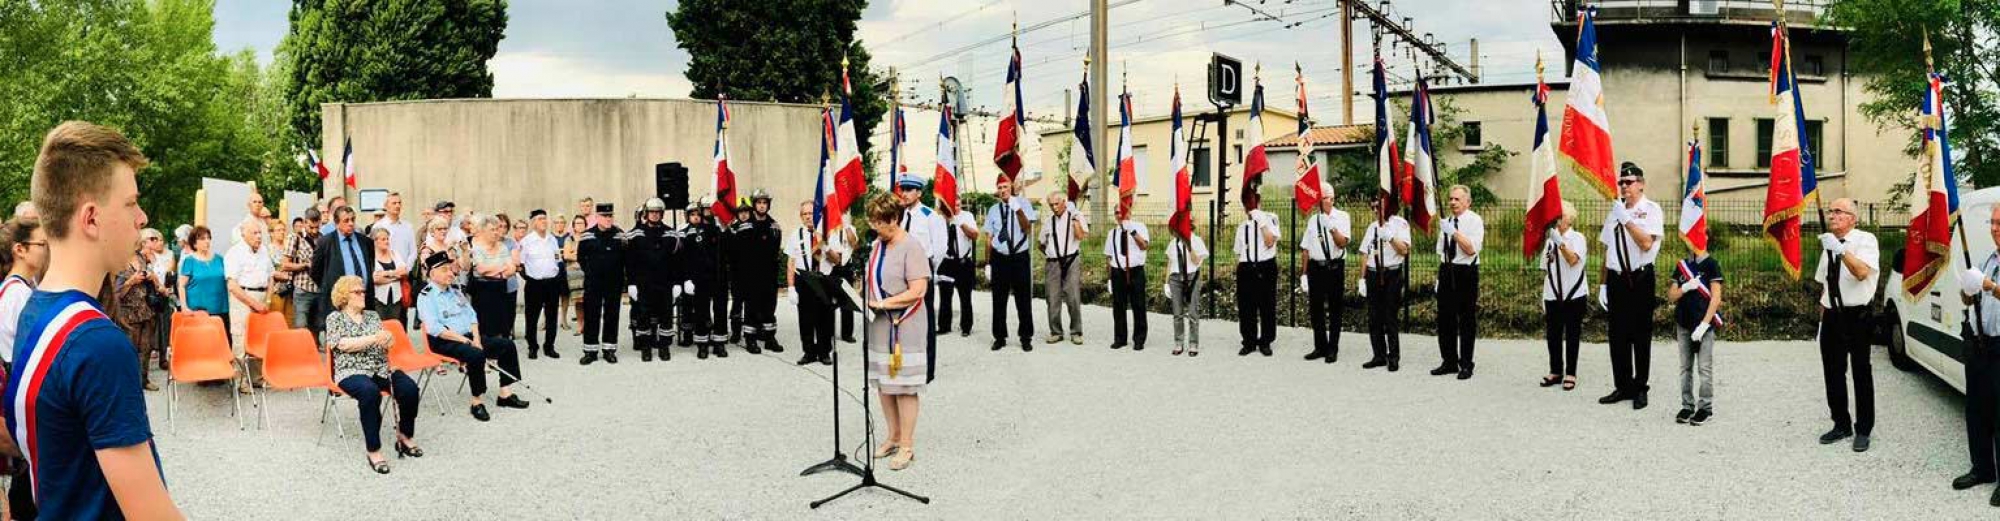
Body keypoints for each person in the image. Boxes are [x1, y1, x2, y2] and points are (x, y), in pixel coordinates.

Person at [3, 120, 183, 518]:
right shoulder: (96, 343)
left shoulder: (35, 310)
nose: (142, 217)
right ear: (90, 218)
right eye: (131, 202)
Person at [321, 275, 422, 474]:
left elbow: (387, 342)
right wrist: (373, 338)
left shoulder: (372, 316)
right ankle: (373, 450)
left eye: (363, 291)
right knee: (370, 393)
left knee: (409, 388)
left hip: (380, 367)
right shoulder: (335, 318)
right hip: (351, 371)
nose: (362, 294)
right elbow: (342, 344)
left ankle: (404, 436)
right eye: (357, 292)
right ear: (344, 296)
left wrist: (388, 338)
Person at [862, 193, 933, 472]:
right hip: (880, 324)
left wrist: (884, 303)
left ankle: (906, 444)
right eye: (873, 221)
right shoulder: (878, 245)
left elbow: (918, 290)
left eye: (879, 221)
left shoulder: (911, 247)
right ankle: (892, 435)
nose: (874, 226)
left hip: (904, 324)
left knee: (903, 386)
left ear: (894, 219)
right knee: (884, 383)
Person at [416, 251, 528, 421]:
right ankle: (477, 401)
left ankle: (505, 393)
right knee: (476, 354)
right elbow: (434, 328)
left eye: (450, 269)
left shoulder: (455, 291)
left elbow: (471, 316)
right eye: (445, 270)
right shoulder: (426, 296)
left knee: (506, 345)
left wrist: (476, 339)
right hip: (444, 341)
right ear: (432, 274)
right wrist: (466, 341)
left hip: (468, 336)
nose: (451, 273)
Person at [1812, 197, 1878, 452]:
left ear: (1852, 217)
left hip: (1857, 316)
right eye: (1830, 211)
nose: (1832, 216)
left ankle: (1863, 429)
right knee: (1832, 371)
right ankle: (1841, 423)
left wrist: (1841, 250)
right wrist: (1822, 322)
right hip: (1832, 316)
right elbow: (1825, 285)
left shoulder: (1865, 241)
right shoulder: (1828, 243)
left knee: (1861, 372)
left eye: (1838, 211)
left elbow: (1862, 273)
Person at [1598, 163, 1663, 410]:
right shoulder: (1615, 211)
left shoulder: (1651, 210)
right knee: (1618, 335)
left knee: (1640, 335)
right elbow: (1608, 251)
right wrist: (1603, 285)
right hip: (1616, 279)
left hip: (1640, 278)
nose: (1624, 186)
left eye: (1629, 182)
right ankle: (1622, 386)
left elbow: (1646, 243)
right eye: (1621, 183)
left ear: (1641, 184)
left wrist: (1626, 220)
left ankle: (1640, 387)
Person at [1955, 204, 2000, 505]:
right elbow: (1972, 296)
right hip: (1981, 346)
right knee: (1977, 410)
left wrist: (1989, 285)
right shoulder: (1989, 258)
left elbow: (1994, 291)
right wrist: (1969, 291)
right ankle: (1982, 468)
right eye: (1993, 223)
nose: (1995, 228)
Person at [0, 216, 45, 520]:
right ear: (20, 249)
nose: (46, 250)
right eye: (42, 244)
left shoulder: (21, 289)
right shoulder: (16, 295)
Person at [1432, 185, 1486, 380]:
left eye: (1457, 199)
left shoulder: (1474, 221)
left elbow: (1471, 249)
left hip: (1466, 271)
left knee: (1466, 319)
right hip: (1447, 269)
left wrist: (1454, 233)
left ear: (1467, 202)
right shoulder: (1447, 221)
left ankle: (1466, 364)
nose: (1452, 202)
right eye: (1451, 199)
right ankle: (1449, 361)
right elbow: (1441, 251)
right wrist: (1440, 277)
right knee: (1445, 318)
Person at [1668, 243, 1723, 426]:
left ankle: (1705, 408)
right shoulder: (1682, 265)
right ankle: (1687, 405)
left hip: (1703, 325)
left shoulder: (1711, 265)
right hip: (1684, 322)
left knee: (1704, 368)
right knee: (1685, 368)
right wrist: (1684, 288)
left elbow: (1715, 297)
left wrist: (1705, 324)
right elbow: (1672, 296)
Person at [983, 176, 1038, 351]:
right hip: (1000, 258)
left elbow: (1027, 229)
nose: (1003, 190)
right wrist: (988, 263)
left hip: (1019, 257)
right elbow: (989, 238)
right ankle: (999, 336)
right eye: (999, 187)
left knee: (1023, 299)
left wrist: (1018, 210)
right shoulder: (993, 210)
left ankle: (1025, 337)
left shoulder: (1023, 204)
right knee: (998, 299)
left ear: (1012, 187)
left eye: (1005, 186)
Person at [1358, 194, 1410, 371]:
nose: (1374, 211)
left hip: (1391, 274)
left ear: (1387, 206)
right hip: (1373, 274)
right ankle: (1378, 355)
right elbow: (1365, 253)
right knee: (1374, 317)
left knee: (1390, 316)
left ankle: (1393, 356)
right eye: (1372, 207)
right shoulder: (1372, 227)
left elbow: (1404, 250)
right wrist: (1361, 278)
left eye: (1377, 207)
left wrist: (1389, 236)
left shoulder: (1400, 224)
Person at [1300, 182, 1350, 363]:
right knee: (1316, 309)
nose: (1321, 203)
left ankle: (1332, 348)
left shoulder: (1342, 217)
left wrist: (1332, 227)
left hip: (1334, 267)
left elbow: (1343, 243)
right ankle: (1320, 346)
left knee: (1335, 309)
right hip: (1316, 268)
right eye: (1319, 199)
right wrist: (1304, 273)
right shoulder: (1313, 220)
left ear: (1332, 198)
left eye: (1324, 199)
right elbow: (1306, 248)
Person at [571, 203, 626, 364]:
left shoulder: (620, 235)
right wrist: (591, 272)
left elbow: (625, 258)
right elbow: (581, 258)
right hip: (594, 283)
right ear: (597, 217)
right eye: (605, 216)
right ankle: (590, 351)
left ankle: (609, 350)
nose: (608, 219)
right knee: (591, 315)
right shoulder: (588, 236)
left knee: (611, 315)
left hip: (613, 283)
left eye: (610, 216)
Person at [1540, 202, 1588, 391]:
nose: (1557, 219)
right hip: (1553, 293)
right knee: (1553, 334)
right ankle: (1555, 370)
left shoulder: (1577, 238)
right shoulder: (1550, 240)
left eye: (1561, 215)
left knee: (1572, 334)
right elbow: (1545, 266)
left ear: (1569, 218)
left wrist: (1560, 242)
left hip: (1574, 294)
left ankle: (1570, 372)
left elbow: (1573, 260)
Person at [224, 218, 274, 394]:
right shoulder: (234, 253)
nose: (259, 236)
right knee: (241, 338)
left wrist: (267, 301)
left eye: (260, 232)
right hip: (243, 297)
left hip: (262, 296)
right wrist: (253, 303)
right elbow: (232, 285)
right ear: (243, 233)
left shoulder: (264, 251)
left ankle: (257, 378)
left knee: (260, 337)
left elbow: (271, 277)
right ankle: (240, 380)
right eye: (255, 232)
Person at [788, 202, 842, 365]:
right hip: (804, 280)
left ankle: (824, 352)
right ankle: (809, 352)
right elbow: (791, 262)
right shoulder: (795, 235)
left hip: (824, 280)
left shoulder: (830, 233)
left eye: (811, 213)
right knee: (805, 319)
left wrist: (825, 246)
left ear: (818, 214)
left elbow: (837, 260)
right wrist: (791, 287)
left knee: (825, 318)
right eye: (805, 214)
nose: (808, 216)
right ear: (801, 217)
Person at [731, 190, 785, 353]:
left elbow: (775, 251)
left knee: (769, 308)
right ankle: (750, 339)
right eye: (759, 203)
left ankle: (770, 338)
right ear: (754, 205)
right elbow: (738, 254)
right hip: (751, 276)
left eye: (765, 203)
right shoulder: (745, 227)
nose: (762, 206)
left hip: (769, 275)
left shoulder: (774, 226)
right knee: (751, 308)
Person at [622, 199, 675, 362]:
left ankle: (664, 346)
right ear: (646, 213)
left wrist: (677, 283)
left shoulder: (670, 233)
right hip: (643, 283)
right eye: (652, 212)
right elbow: (630, 261)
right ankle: (645, 347)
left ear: (662, 214)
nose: (655, 214)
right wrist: (630, 283)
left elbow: (677, 260)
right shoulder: (636, 234)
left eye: (658, 212)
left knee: (666, 314)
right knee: (643, 315)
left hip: (664, 282)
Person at [312, 206, 376, 337]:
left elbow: (370, 265)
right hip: (340, 303)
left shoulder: (365, 241)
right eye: (346, 220)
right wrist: (332, 289)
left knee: (365, 339)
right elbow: (315, 272)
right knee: (341, 342)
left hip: (363, 301)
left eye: (353, 219)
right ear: (336, 223)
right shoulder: (325, 242)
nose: (351, 223)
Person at [112, 241, 166, 391]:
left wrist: (150, 277)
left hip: (146, 309)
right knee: (130, 349)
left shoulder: (141, 258)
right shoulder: (118, 262)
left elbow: (152, 278)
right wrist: (131, 281)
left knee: (146, 347)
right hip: (128, 313)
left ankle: (144, 380)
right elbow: (116, 294)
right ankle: (128, 382)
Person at [1234, 191, 1281, 357]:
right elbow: (1239, 254)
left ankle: (1266, 341)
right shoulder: (1242, 227)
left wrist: (1260, 220)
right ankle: (1249, 341)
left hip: (1266, 266)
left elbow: (1269, 241)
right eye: (1247, 206)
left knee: (1267, 305)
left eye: (1252, 204)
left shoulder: (1270, 219)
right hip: (1247, 268)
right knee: (1246, 307)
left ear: (1259, 204)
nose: (1249, 209)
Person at [680, 199, 728, 358]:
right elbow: (686, 258)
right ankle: (702, 344)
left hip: (719, 276)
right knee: (701, 311)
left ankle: (719, 343)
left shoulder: (720, 229)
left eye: (710, 208)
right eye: (705, 209)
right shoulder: (693, 232)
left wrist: (725, 230)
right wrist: (687, 278)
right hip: (700, 278)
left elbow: (730, 252)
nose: (708, 211)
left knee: (720, 311)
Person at [1038, 191, 1087, 346]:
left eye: (1056, 204)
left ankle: (1076, 331)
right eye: (1051, 205)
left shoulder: (1076, 216)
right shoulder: (1048, 222)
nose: (1054, 207)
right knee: (1052, 298)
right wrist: (1051, 255)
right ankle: (1056, 332)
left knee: (1073, 297)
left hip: (1071, 260)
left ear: (1064, 202)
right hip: (1053, 262)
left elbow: (1080, 237)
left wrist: (1075, 223)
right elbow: (1041, 243)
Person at [466, 215, 520, 345]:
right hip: (482, 290)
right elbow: (481, 269)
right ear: (483, 231)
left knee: (501, 323)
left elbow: (512, 268)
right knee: (483, 324)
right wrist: (502, 269)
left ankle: (499, 353)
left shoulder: (502, 246)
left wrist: (497, 272)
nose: (496, 232)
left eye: (497, 229)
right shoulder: (476, 247)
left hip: (500, 288)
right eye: (492, 229)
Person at [520, 210, 564, 360]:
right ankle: (532, 346)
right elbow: (521, 264)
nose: (544, 221)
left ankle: (549, 346)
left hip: (552, 283)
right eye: (540, 219)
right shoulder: (526, 242)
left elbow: (557, 259)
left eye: (545, 218)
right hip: (535, 284)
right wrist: (529, 277)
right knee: (532, 317)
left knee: (552, 316)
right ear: (533, 223)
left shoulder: (552, 239)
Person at [1105, 201, 1150, 351]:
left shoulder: (1139, 227)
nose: (1120, 215)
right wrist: (1110, 278)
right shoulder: (1112, 233)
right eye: (1117, 213)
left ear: (1128, 212)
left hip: (1136, 271)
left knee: (1138, 305)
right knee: (1118, 306)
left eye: (1122, 212)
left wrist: (1132, 231)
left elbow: (1144, 246)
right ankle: (1120, 338)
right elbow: (1109, 257)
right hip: (1118, 272)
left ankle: (1139, 339)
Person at [936, 198, 978, 337]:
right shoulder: (940, 219)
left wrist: (959, 223)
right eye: (954, 205)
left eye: (959, 205)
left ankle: (966, 327)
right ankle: (944, 326)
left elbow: (974, 235)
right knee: (945, 296)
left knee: (965, 296)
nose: (957, 208)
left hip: (963, 261)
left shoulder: (967, 216)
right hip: (947, 261)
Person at [1165, 222, 1207, 357]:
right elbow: (1170, 263)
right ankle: (1179, 342)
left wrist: (1188, 246)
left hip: (1192, 277)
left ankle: (1193, 343)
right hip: (1175, 278)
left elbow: (1196, 261)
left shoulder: (1197, 241)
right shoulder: (1173, 243)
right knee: (1177, 313)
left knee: (1193, 312)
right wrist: (1166, 282)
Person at [177, 226, 228, 335]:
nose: (207, 241)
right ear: (194, 243)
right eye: (202, 239)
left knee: (220, 342)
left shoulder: (219, 259)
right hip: (198, 310)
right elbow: (181, 285)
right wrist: (184, 307)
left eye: (208, 238)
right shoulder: (189, 261)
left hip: (220, 309)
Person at [283, 208, 323, 333]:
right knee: (301, 328)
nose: (314, 230)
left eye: (317, 227)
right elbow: (285, 265)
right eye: (311, 227)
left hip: (320, 290)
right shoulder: (295, 238)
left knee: (319, 328)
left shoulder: (322, 238)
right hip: (302, 290)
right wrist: (305, 265)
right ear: (305, 223)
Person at [368, 228, 408, 326]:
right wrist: (396, 276)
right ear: (375, 241)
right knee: (381, 326)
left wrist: (387, 273)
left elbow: (404, 271)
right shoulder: (370, 256)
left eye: (387, 239)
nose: (387, 241)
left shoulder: (394, 253)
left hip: (396, 298)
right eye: (383, 239)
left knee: (395, 326)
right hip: (378, 299)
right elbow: (375, 279)